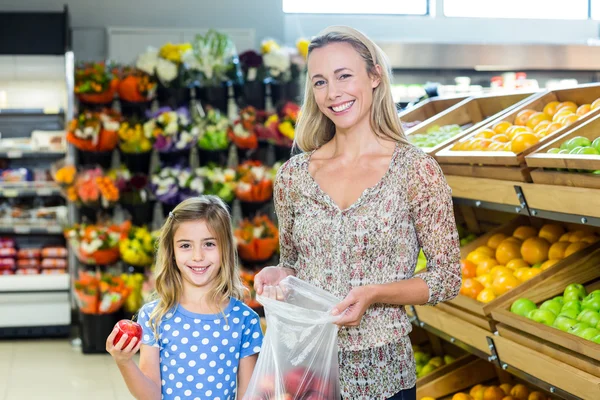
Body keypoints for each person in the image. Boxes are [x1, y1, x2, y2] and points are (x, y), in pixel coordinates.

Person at [254, 26, 461, 400]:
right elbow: (294, 263)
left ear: (375, 76)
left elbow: (447, 277)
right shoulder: (293, 176)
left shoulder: (416, 170)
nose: (333, 93)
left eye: (344, 75)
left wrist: (375, 293)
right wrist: (278, 273)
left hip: (382, 372)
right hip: (305, 367)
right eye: (320, 82)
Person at [107, 196, 263, 400]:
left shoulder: (244, 320)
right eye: (185, 245)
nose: (197, 256)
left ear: (225, 248)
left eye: (209, 244)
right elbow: (151, 395)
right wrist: (124, 362)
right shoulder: (154, 317)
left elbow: (247, 395)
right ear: (171, 252)